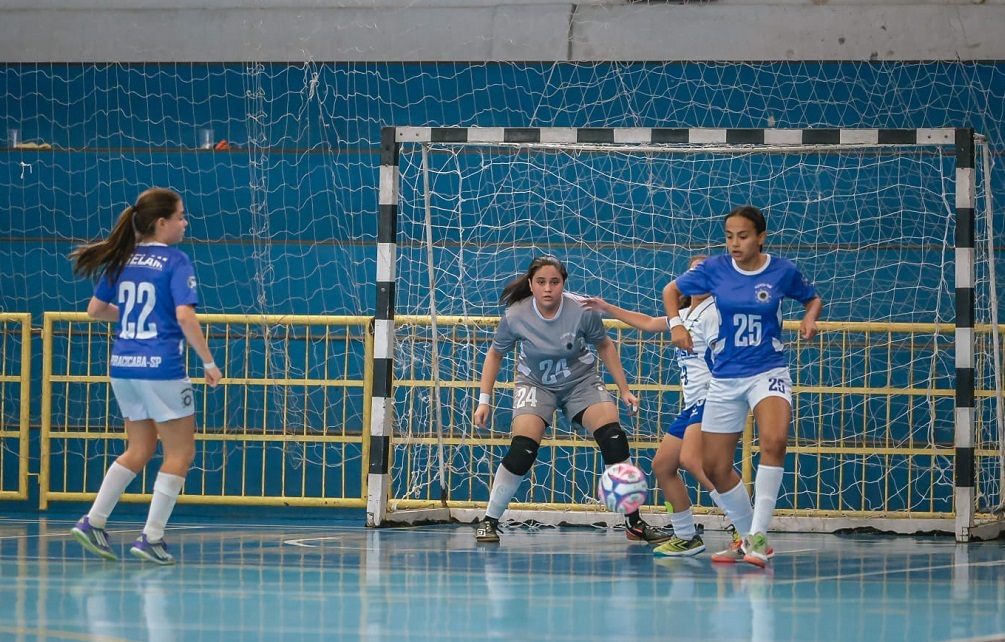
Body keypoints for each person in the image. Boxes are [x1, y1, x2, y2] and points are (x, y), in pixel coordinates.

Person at [68, 187, 222, 565]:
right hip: (163, 368)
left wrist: (141, 321)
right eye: (182, 216)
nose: (186, 223)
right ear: (161, 223)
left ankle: (94, 521)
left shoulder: (121, 259)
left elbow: (95, 310)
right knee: (181, 453)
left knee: (139, 450)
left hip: (124, 366)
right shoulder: (176, 261)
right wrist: (208, 362)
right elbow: (186, 317)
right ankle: (151, 536)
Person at [663, 205, 822, 568]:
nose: (735, 243)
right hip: (725, 376)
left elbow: (812, 298)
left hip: (768, 370)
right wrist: (676, 325)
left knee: (774, 441)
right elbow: (671, 290)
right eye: (729, 236)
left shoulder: (782, 271)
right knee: (714, 466)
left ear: (761, 237)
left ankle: (760, 535)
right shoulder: (714, 269)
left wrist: (810, 318)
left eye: (744, 236)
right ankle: (747, 536)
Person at [472, 255, 668, 544]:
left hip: (580, 381)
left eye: (555, 282)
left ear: (564, 283)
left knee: (613, 437)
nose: (548, 288)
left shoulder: (581, 310)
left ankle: (635, 522)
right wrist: (484, 400)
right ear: (531, 284)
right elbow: (495, 354)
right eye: (541, 282)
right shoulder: (516, 315)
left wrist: (624, 389)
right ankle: (489, 521)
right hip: (536, 383)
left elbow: (604, 345)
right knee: (523, 449)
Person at [582, 256, 720, 557]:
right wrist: (606, 308)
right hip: (692, 405)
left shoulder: (717, 315)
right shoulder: (683, 315)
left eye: (704, 272)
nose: (696, 276)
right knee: (663, 466)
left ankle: (743, 528)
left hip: (712, 399)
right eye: (692, 271)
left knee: (696, 462)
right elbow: (645, 323)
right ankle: (687, 536)